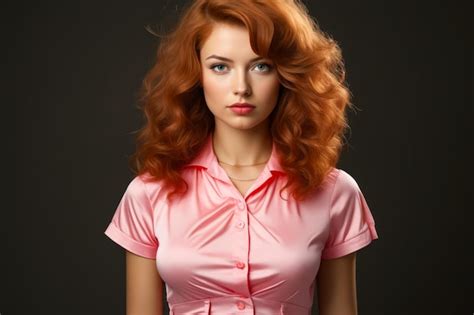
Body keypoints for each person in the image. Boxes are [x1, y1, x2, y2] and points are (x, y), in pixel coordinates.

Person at [104, 0, 379, 314]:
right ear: (196, 74)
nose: (241, 88)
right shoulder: (149, 193)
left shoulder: (334, 193)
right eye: (220, 66)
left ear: (286, 74)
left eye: (261, 66)